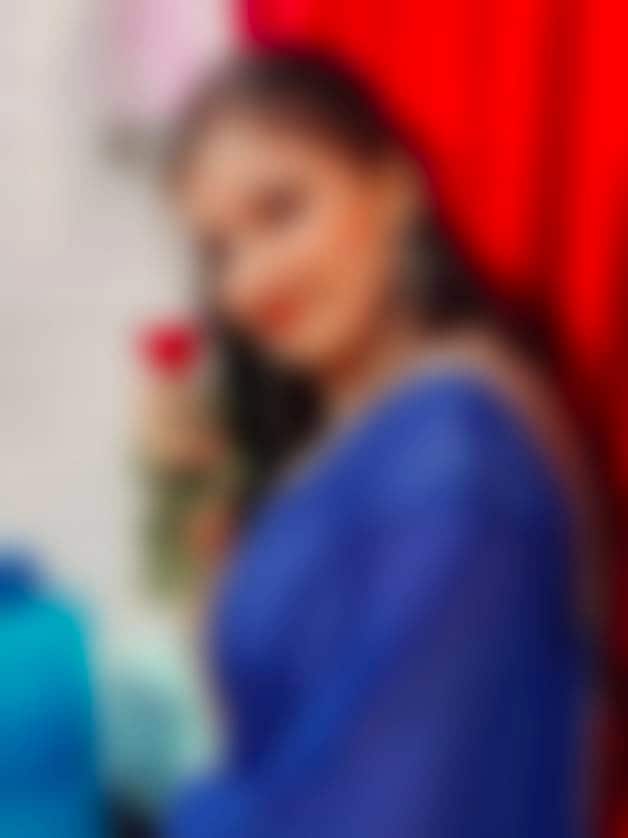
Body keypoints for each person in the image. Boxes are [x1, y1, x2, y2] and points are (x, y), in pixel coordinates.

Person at [162, 50, 598, 837]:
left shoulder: (454, 462)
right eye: (218, 251)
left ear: (395, 191)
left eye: (281, 210)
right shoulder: (355, 438)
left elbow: (389, 804)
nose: (250, 281)